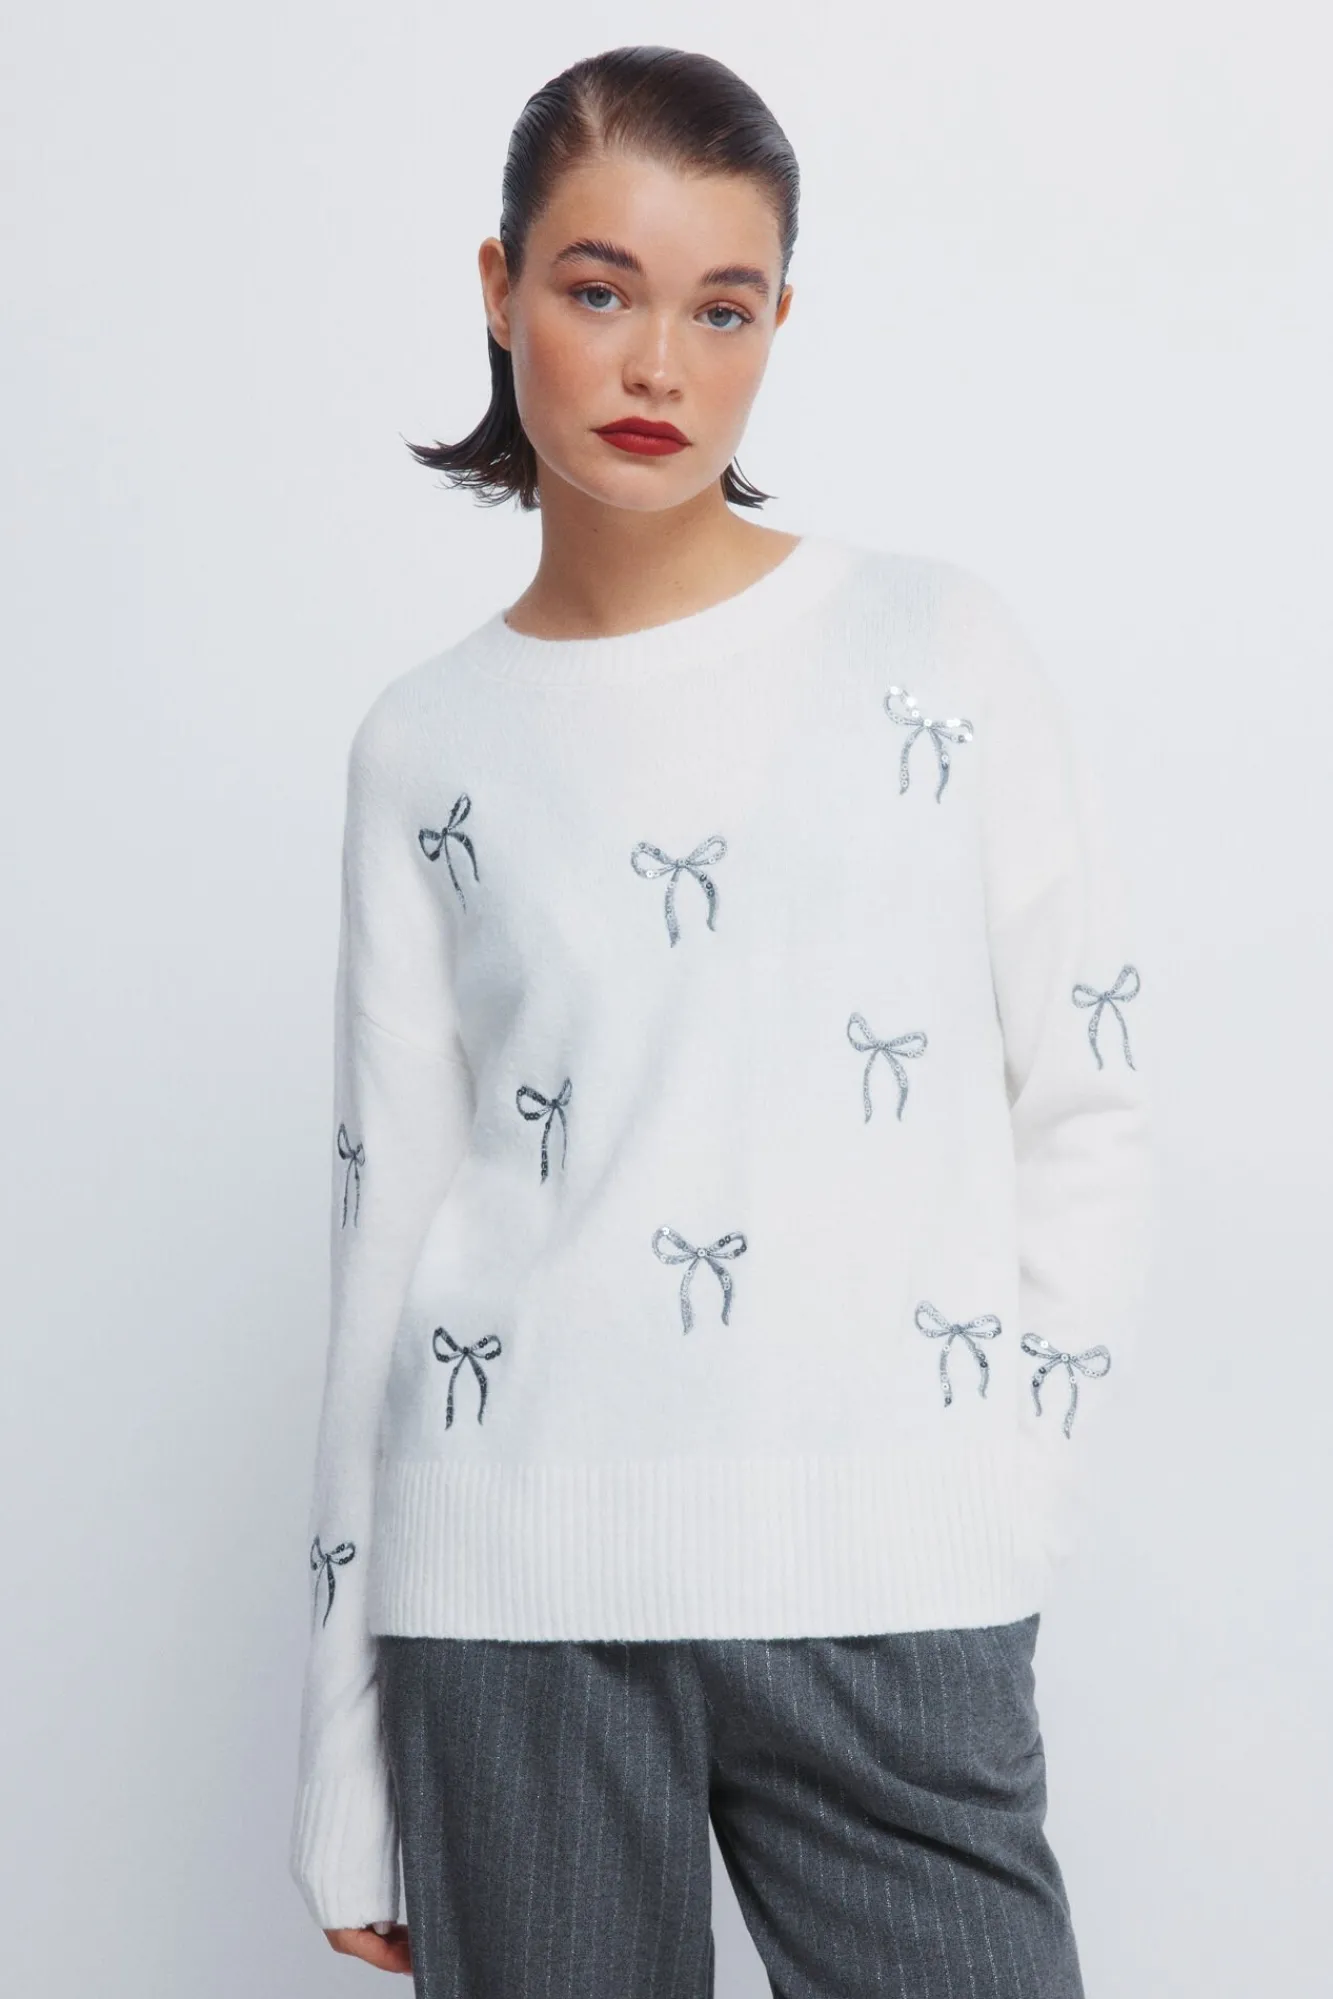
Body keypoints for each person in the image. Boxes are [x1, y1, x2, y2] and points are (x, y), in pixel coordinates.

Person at [288, 42, 1154, 1999]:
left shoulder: (938, 649)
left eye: (723, 307)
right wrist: (342, 1753)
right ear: (500, 285)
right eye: (601, 290)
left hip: (896, 1587)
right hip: (508, 1609)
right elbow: (385, 1233)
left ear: (777, 324)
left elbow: (1087, 1101)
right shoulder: (425, 745)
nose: (659, 365)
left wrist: (1006, 1501)